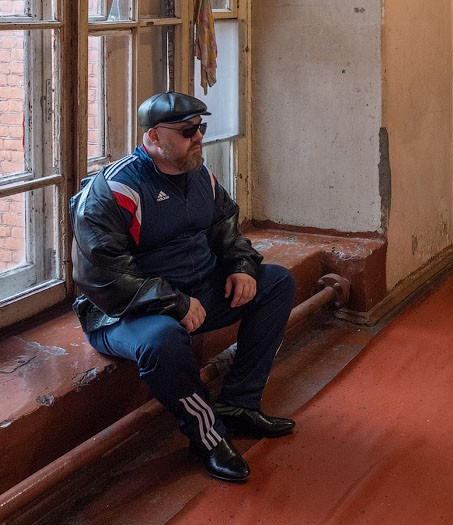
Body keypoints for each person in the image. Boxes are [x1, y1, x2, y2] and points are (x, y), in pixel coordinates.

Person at [70, 91, 297, 483]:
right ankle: (209, 438)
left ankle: (240, 403)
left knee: (276, 283)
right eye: (188, 131)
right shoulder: (114, 190)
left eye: (201, 128)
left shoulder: (200, 175)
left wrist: (241, 265)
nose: (199, 137)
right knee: (162, 341)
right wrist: (173, 302)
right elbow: (103, 276)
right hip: (124, 313)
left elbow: (227, 228)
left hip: (195, 295)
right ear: (154, 137)